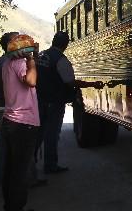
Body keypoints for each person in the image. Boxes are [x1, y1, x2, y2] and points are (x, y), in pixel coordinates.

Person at [35, 31, 103, 174]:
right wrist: (92, 84)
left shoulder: (41, 55)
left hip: (40, 100)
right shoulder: (61, 60)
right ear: (66, 44)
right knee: (52, 134)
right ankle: (50, 165)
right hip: (54, 102)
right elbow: (70, 82)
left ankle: (31, 165)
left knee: (39, 133)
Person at [1, 34, 40, 211]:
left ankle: (10, 205)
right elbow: (31, 81)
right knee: (21, 170)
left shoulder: (6, 64)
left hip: (11, 121)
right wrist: (31, 59)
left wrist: (32, 59)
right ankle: (16, 207)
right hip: (22, 123)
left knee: (12, 167)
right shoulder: (20, 63)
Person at [0, 31, 18, 186]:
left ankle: (4, 179)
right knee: (16, 147)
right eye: (18, 39)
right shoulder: (10, 64)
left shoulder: (0, 62)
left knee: (4, 145)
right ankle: (16, 182)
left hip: (1, 107)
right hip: (9, 109)